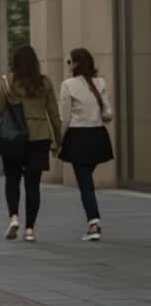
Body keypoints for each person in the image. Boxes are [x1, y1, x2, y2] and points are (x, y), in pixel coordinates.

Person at [0, 45, 61, 243]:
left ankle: (14, 217)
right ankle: (30, 229)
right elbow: (54, 114)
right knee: (33, 185)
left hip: (13, 138)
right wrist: (58, 139)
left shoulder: (7, 83)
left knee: (12, 180)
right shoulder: (44, 83)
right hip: (39, 138)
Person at [58, 47, 113, 242]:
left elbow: (64, 118)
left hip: (78, 137)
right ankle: (93, 221)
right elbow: (108, 114)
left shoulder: (68, 84)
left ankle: (94, 223)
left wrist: (58, 140)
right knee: (86, 179)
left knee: (85, 184)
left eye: (69, 62)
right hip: (98, 136)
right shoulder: (101, 82)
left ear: (76, 63)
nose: (69, 65)